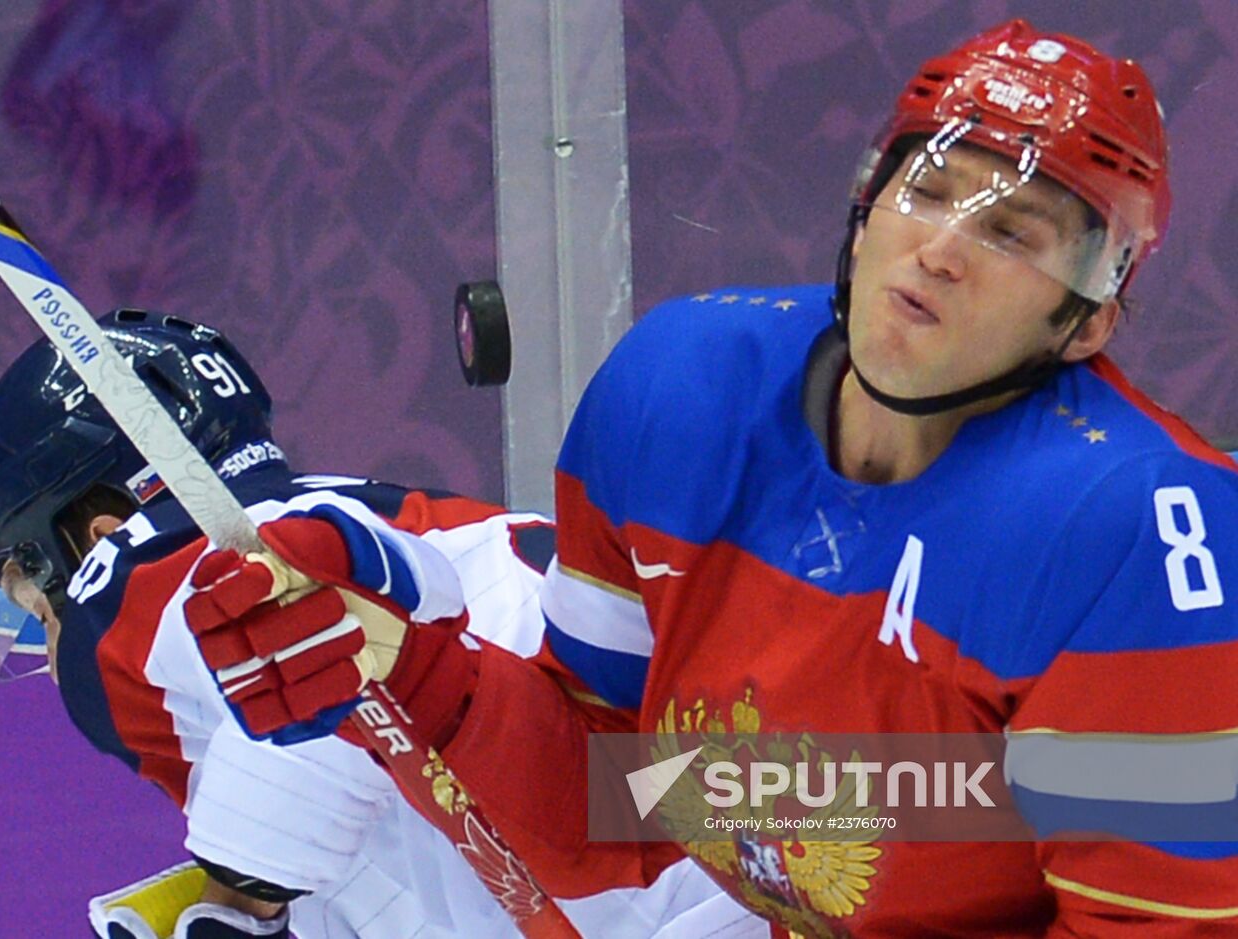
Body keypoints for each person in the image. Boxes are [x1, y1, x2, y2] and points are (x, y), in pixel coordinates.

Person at [178, 20, 1238, 936]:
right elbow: (620, 800)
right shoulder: (679, 393)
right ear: (864, 208)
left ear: (1086, 320)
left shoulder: (1134, 530)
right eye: (926, 189)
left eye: (1010, 230)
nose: (940, 248)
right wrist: (406, 668)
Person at [0, 309, 759, 938]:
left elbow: (316, 649)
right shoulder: (432, 518)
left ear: (92, 533)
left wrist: (240, 901)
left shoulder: (153, 581)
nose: (45, 656)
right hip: (793, 818)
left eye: (28, 606)